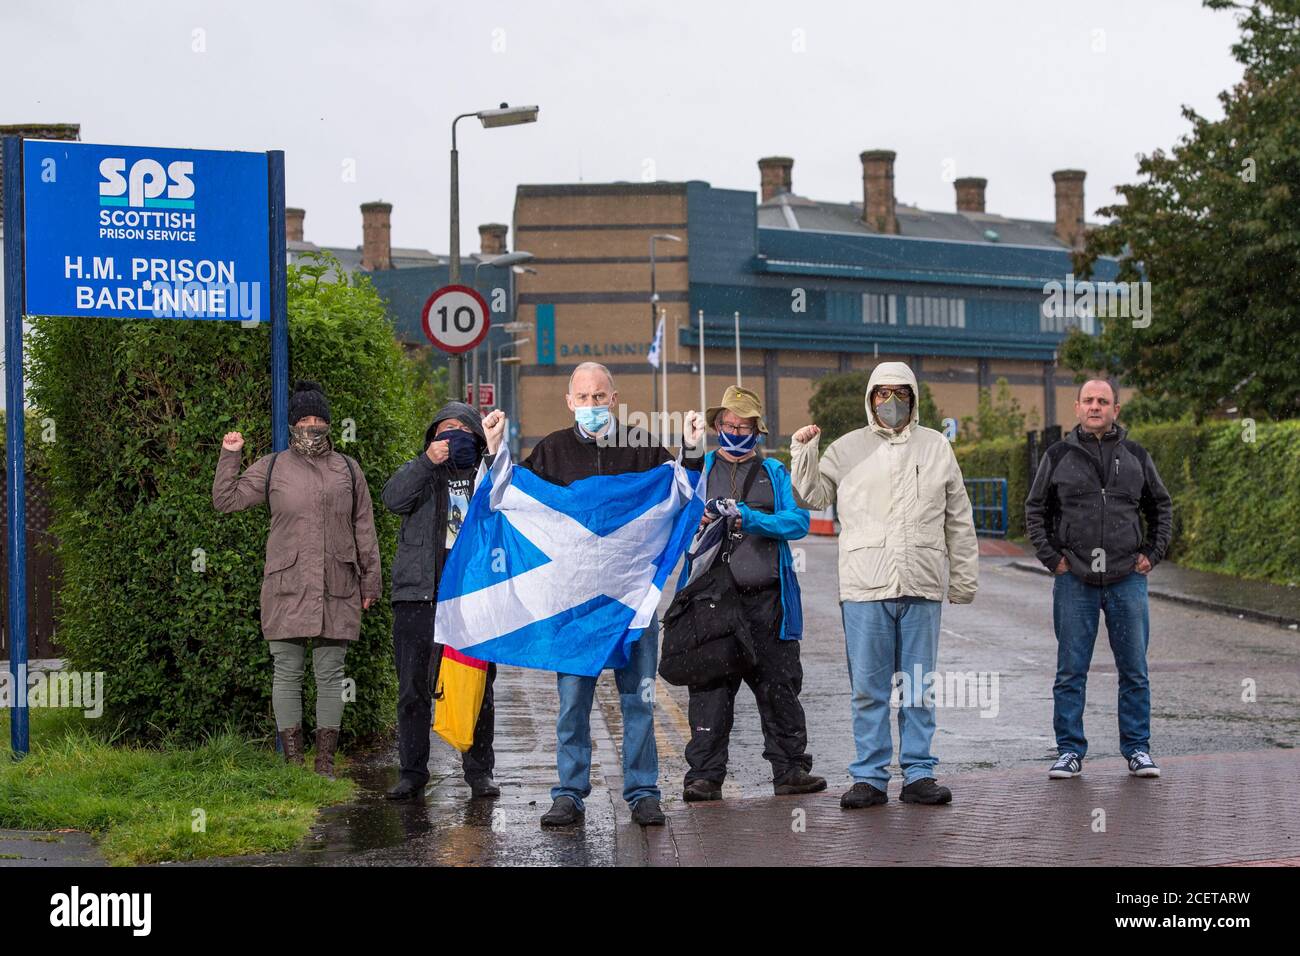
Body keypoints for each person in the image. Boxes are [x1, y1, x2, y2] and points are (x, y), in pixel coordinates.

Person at [521, 361, 703, 829]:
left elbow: (682, 492)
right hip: (574, 606)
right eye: (583, 398)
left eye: (599, 397)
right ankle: (568, 793)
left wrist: (694, 449)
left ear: (615, 399)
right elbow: (518, 506)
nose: (591, 406)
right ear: (569, 402)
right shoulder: (550, 452)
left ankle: (643, 792)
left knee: (639, 699)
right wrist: (494, 451)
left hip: (632, 603)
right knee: (572, 703)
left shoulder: (643, 448)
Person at [790, 361, 978, 809]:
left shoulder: (936, 448)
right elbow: (812, 496)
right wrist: (803, 452)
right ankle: (870, 777)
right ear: (870, 398)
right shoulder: (847, 447)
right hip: (864, 585)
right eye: (881, 394)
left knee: (918, 687)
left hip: (922, 583)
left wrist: (965, 578)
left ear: (913, 399)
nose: (890, 402)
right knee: (868, 689)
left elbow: (959, 517)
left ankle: (919, 773)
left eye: (899, 393)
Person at [213, 380, 381, 777]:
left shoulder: (348, 470)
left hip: (337, 585)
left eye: (318, 419)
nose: (312, 426)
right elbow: (226, 500)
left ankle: (324, 763)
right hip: (286, 586)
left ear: (328, 424)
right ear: (292, 425)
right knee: (286, 672)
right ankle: (293, 763)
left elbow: (365, 528)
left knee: (331, 674)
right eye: (304, 419)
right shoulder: (272, 466)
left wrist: (371, 582)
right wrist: (230, 456)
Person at [681, 386, 824, 801]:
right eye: (728, 425)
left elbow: (797, 522)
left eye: (744, 426)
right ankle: (704, 776)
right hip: (710, 604)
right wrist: (702, 517)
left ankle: (790, 771)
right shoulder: (698, 468)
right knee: (710, 692)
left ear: (757, 431)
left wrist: (751, 519)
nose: (735, 432)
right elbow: (674, 525)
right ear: (716, 427)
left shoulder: (775, 472)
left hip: (769, 603)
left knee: (780, 688)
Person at [1024, 379, 1172, 780]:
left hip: (1127, 577)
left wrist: (1154, 553)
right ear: (1076, 407)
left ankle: (1138, 750)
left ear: (1115, 410)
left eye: (1103, 401)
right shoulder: (1057, 456)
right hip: (1075, 578)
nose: (1095, 407)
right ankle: (1070, 751)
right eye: (1088, 400)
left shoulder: (1137, 455)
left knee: (1135, 670)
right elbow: (1035, 509)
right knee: (1071, 670)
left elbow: (1161, 505)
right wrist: (1052, 559)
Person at [381, 402, 507, 800]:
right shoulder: (421, 472)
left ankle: (479, 772)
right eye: (444, 429)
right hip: (417, 597)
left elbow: (508, 499)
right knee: (411, 691)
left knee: (476, 688)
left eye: (461, 429)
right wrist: (425, 462)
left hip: (471, 602)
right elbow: (392, 499)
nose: (452, 436)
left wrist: (492, 450)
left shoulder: (485, 475)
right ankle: (413, 772)